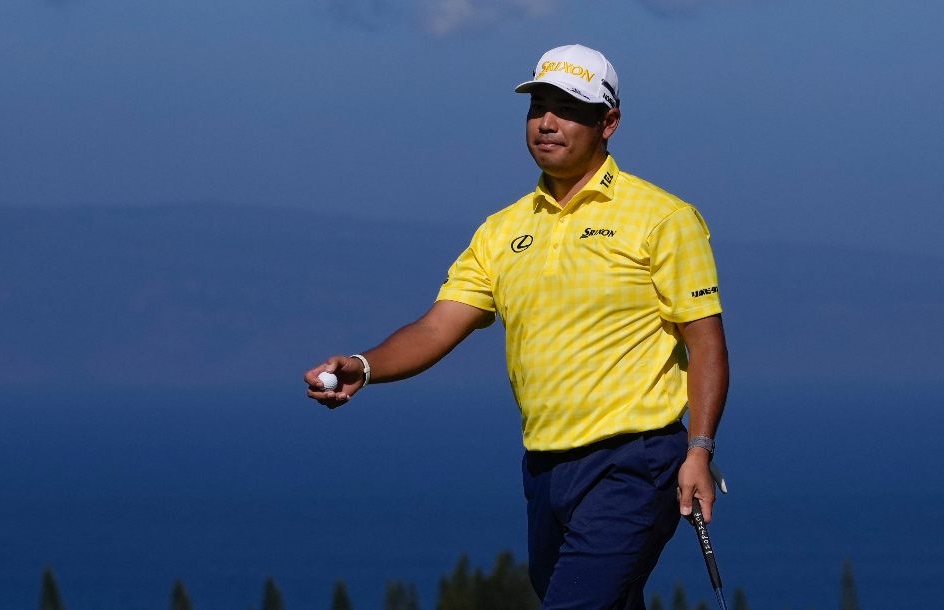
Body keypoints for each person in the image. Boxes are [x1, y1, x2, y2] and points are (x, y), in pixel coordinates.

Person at [305, 44, 729, 609]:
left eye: (569, 109)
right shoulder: (501, 230)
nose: (547, 122)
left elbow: (706, 346)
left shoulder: (664, 218)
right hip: (545, 470)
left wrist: (698, 449)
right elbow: (436, 328)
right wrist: (364, 365)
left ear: (609, 123)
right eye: (538, 108)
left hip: (636, 463)